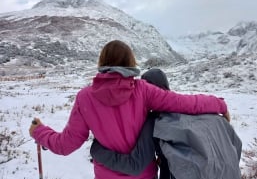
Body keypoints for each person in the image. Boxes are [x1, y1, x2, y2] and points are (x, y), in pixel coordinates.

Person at [29, 40, 229, 179]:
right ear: (131, 63)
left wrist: (40, 132)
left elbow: (65, 145)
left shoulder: (85, 97)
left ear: (102, 63)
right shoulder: (143, 91)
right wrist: (219, 104)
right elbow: (185, 103)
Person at [90, 68, 242, 179]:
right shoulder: (210, 114)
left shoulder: (155, 121)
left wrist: (97, 150)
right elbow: (236, 145)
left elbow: (135, 165)